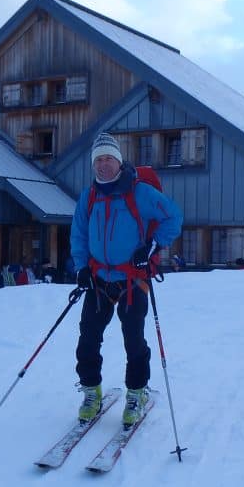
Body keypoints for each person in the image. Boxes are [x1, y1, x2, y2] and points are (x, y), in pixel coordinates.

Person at [70, 132, 183, 428]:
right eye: (98, 160)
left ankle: (136, 393)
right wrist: (81, 267)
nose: (103, 164)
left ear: (119, 162)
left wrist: (151, 247)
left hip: (133, 279)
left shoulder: (140, 193)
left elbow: (173, 217)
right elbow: (79, 233)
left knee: (133, 339)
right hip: (98, 278)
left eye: (109, 158)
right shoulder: (89, 196)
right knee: (88, 338)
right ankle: (91, 392)